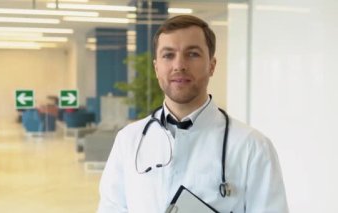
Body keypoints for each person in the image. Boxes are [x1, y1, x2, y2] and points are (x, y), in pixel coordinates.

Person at [98, 15, 288, 213]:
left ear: (212, 66)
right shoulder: (129, 140)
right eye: (168, 55)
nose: (179, 65)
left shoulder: (252, 146)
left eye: (193, 54)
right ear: (156, 68)